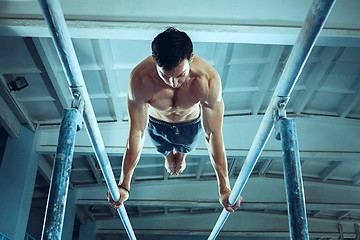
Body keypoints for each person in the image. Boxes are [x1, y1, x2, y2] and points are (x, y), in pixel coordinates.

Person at [106, 27, 242, 212]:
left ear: (191, 57)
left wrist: (224, 188)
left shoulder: (207, 80)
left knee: (185, 148)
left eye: (180, 75)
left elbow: (213, 135)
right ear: (155, 62)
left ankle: (181, 155)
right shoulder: (140, 79)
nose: (173, 83)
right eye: (165, 75)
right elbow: (137, 132)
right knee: (164, 150)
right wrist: (124, 185)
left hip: (190, 125)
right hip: (157, 124)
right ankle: (170, 157)